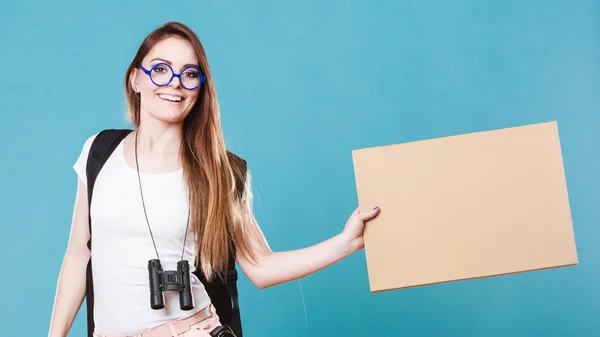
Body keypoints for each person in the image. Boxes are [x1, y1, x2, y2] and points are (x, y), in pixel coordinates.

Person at [47, 21, 380, 337]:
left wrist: (345, 242)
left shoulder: (218, 172)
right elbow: (79, 252)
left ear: (199, 89)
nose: (174, 82)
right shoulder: (99, 152)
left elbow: (261, 267)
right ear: (136, 79)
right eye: (160, 69)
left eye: (189, 74)